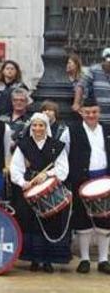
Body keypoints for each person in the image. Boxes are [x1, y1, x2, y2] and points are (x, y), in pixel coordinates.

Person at [10, 113, 70, 272]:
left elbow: (63, 170)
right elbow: (15, 168)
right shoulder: (23, 145)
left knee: (50, 224)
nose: (37, 128)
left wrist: (47, 174)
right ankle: (34, 259)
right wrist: (23, 183)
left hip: (50, 190)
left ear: (46, 127)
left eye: (41, 125)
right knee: (31, 225)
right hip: (30, 190)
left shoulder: (56, 146)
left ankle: (48, 260)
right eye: (35, 125)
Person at [61, 98, 110, 274]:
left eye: (94, 112)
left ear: (99, 112)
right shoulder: (70, 130)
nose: (91, 115)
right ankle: (84, 259)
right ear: (81, 112)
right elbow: (63, 155)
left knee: (105, 219)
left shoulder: (107, 129)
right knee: (82, 219)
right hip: (81, 179)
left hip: (104, 178)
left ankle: (104, 259)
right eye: (87, 112)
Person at [82, 48, 110, 125]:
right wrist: (77, 103)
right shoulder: (93, 70)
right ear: (103, 60)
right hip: (96, 116)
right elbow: (81, 86)